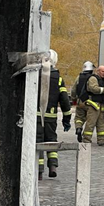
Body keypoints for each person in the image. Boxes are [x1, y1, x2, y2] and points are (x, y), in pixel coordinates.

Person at [37, 50, 72, 180]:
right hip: (51, 117)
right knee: (51, 141)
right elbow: (64, 100)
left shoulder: (35, 75)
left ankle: (39, 172)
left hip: (36, 116)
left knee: (38, 142)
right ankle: (53, 167)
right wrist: (66, 118)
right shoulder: (58, 78)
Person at [71, 61, 95, 142]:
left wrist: (73, 99)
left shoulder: (79, 77)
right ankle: (86, 137)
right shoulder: (93, 78)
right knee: (90, 120)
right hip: (90, 102)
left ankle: (78, 128)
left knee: (79, 117)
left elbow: (73, 89)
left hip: (80, 101)